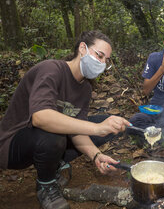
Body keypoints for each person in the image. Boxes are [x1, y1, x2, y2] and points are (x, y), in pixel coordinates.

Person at [0, 30, 131, 209]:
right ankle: (46, 185)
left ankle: (53, 162)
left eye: (106, 60)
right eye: (99, 55)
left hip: (44, 142)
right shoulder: (51, 69)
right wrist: (96, 128)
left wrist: (96, 156)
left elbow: (77, 131)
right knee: (57, 133)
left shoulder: (85, 89)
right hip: (12, 146)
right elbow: (40, 118)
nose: (102, 63)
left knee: (105, 124)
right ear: (82, 49)